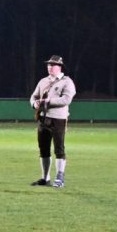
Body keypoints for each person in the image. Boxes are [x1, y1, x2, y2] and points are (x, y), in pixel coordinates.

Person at [29, 56, 76, 188]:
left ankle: (60, 178)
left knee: (59, 149)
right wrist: (34, 104)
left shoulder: (67, 82)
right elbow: (34, 96)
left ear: (60, 67)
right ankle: (45, 178)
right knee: (43, 149)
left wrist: (48, 102)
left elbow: (66, 100)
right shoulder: (43, 81)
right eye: (49, 65)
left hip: (58, 119)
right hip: (43, 118)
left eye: (53, 65)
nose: (50, 67)